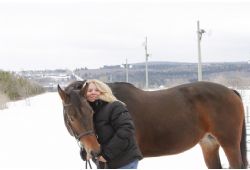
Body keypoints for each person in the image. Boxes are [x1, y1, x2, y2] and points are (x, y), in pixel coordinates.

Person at [82, 79, 143, 169]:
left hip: (123, 162)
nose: (93, 93)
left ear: (103, 91)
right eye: (89, 91)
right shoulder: (89, 113)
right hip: (104, 164)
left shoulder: (115, 106)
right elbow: (88, 135)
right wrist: (85, 152)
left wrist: (107, 155)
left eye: (97, 90)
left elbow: (126, 130)